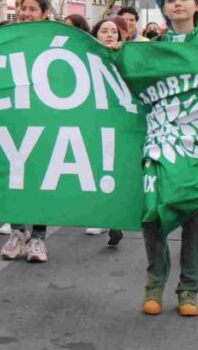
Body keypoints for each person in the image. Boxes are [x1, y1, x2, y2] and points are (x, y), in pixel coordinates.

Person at [142, 0, 198, 318]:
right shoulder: (149, 49)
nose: (177, 4)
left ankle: (189, 289)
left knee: (197, 218)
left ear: (197, 5)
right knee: (153, 214)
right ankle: (154, 283)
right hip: (157, 142)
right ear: (163, 7)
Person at [0, 0, 51, 263]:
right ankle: (18, 232)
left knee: (40, 176)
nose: (25, 13)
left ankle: (39, 238)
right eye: (22, 8)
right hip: (12, 119)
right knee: (13, 176)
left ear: (44, 14)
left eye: (32, 9)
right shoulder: (5, 39)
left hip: (44, 119)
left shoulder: (56, 42)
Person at [86, 17, 125, 246]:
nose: (109, 35)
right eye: (104, 31)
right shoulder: (84, 59)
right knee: (96, 169)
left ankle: (114, 218)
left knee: (115, 170)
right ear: (95, 34)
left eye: (114, 31)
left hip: (120, 122)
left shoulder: (127, 57)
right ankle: (103, 216)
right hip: (94, 121)